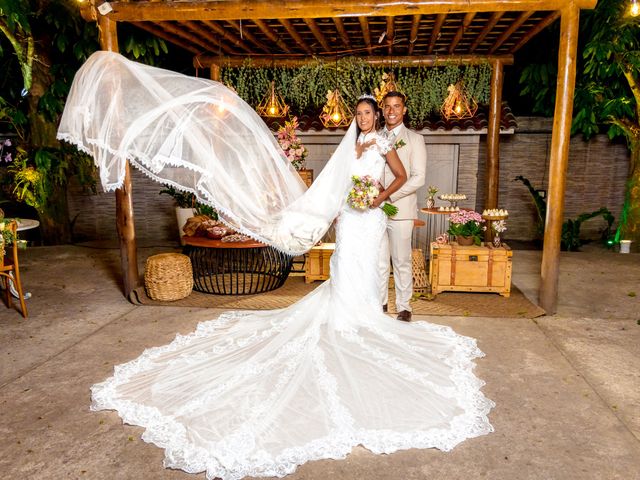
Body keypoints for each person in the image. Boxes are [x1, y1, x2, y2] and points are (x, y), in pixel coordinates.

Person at [61, 52, 493, 480]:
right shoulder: (354, 144)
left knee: (370, 266)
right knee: (347, 266)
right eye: (359, 113)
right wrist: (329, 209)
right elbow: (334, 183)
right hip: (349, 218)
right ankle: (351, 316)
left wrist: (377, 198)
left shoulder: (382, 142)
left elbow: (398, 177)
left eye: (367, 113)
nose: (363, 118)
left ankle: (365, 318)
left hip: (372, 216)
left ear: (377, 116)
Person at [379, 91, 427, 322]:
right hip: (374, 210)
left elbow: (418, 177)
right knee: (378, 260)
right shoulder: (374, 137)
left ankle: (404, 306)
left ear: (404, 110)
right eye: (387, 106)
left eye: (396, 106)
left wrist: (389, 197)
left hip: (401, 209)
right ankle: (380, 303)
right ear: (382, 110)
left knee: (401, 260)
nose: (391, 111)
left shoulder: (415, 139)